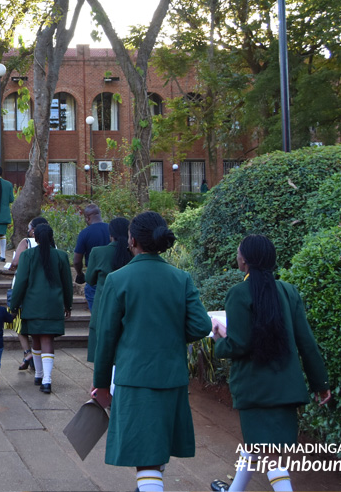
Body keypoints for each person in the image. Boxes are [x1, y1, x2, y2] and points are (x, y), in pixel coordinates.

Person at [92, 211, 212, 492]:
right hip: (172, 377)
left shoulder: (118, 279)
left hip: (134, 378)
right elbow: (201, 325)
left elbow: (106, 338)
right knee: (157, 447)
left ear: (132, 240)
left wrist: (100, 384)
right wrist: (168, 335)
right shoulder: (180, 278)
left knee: (145, 457)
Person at [210, 235, 331, 492]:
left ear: (246, 261)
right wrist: (321, 383)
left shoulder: (239, 293)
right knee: (256, 446)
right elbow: (306, 342)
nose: (237, 256)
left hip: (255, 388)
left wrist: (219, 339)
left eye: (239, 252)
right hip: (285, 387)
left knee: (270, 456)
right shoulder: (288, 291)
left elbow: (239, 344)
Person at [8, 224, 72, 393]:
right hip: (53, 304)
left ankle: (39, 376)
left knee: (35, 339)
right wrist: (68, 304)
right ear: (52, 237)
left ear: (35, 238)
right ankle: (47, 380)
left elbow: (20, 282)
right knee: (47, 339)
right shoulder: (61, 256)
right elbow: (67, 283)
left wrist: (14, 305)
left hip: (32, 304)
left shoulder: (28, 255)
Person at [85, 217, 132, 363]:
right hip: (128, 303)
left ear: (110, 234)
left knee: (101, 346)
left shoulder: (98, 252)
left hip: (103, 303)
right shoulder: (132, 253)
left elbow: (90, 279)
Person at [6, 216, 49, 373]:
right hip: (43, 289)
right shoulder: (53, 244)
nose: (28, 231)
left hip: (23, 287)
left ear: (34, 230)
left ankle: (28, 353)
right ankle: (41, 356)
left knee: (18, 321)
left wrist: (11, 266)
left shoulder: (26, 242)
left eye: (30, 228)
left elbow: (16, 262)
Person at [73, 204, 110, 310]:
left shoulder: (85, 233)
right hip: (112, 275)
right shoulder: (111, 230)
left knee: (96, 312)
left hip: (95, 278)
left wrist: (80, 274)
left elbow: (76, 260)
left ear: (87, 218)